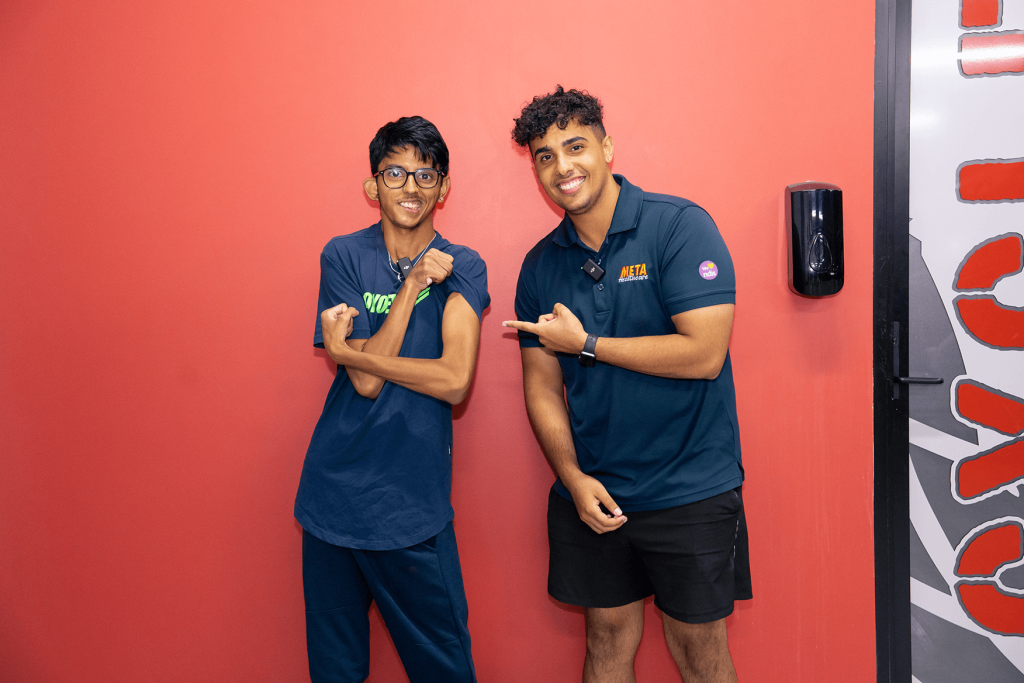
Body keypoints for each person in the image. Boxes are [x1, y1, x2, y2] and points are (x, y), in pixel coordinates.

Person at [503, 87, 751, 683]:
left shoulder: (679, 226)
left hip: (690, 488)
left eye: (576, 146)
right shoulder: (540, 266)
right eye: (545, 156)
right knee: (606, 642)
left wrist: (587, 344)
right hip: (595, 491)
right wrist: (572, 478)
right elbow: (542, 388)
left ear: (607, 147)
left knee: (699, 649)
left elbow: (705, 354)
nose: (562, 167)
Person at [295, 116, 488, 683]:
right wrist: (411, 287)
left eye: (425, 175)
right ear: (372, 185)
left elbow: (454, 380)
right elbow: (365, 386)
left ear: (443, 188)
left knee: (446, 672)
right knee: (336, 673)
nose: (410, 187)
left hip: (410, 509)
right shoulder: (343, 255)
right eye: (395, 173)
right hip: (332, 501)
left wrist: (349, 352)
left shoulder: (463, 265)